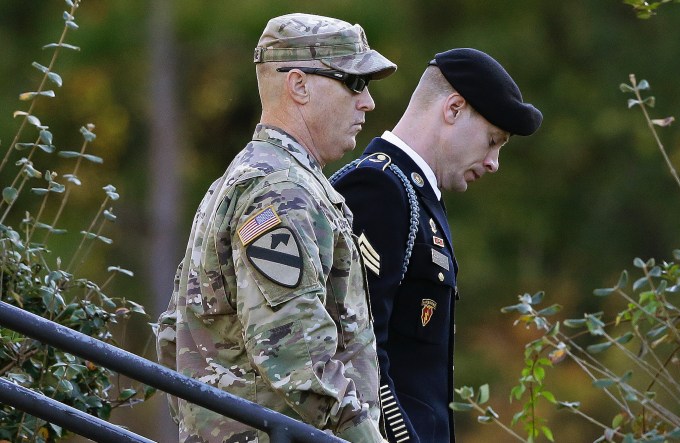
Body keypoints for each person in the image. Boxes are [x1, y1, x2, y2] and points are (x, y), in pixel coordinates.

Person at [155, 13, 397, 443]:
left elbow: (173, 337)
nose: (367, 103)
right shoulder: (280, 191)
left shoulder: (253, 177)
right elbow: (296, 351)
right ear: (299, 85)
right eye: (353, 83)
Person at [330, 48, 542, 443]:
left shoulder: (418, 197)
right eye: (493, 140)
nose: (494, 162)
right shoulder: (379, 188)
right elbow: (359, 352)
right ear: (454, 108)